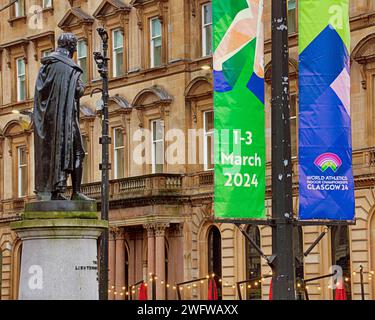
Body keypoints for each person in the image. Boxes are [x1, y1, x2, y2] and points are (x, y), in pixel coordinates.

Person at [33, 33, 92, 201]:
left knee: (55, 154)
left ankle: (57, 191)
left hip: (50, 121)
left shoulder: (47, 64)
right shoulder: (68, 66)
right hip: (65, 119)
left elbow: (41, 92)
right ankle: (75, 192)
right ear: (71, 46)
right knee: (78, 152)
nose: (75, 49)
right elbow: (78, 90)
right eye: (75, 46)